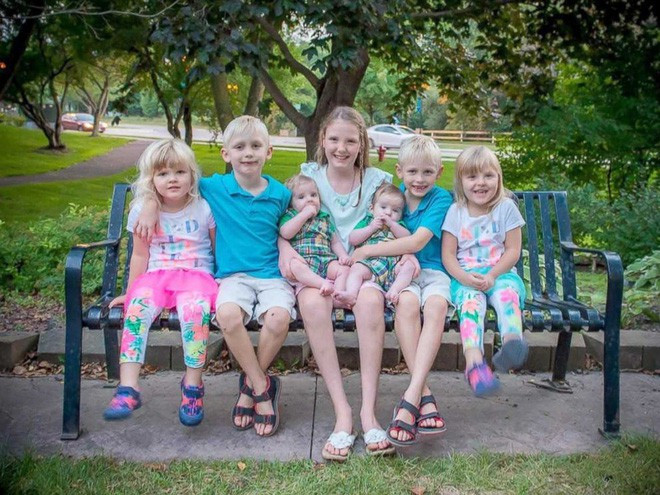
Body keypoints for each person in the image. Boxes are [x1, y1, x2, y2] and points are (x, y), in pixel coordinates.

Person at [135, 116, 296, 437]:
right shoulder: (213, 188)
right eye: (240, 147)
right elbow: (170, 184)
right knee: (227, 315)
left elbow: (289, 230)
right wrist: (150, 204)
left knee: (278, 318)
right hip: (231, 278)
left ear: (269, 152)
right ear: (226, 154)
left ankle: (249, 389)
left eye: (256, 146)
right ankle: (262, 387)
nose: (248, 153)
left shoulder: (280, 194)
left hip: (272, 276)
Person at [279, 106, 416, 460]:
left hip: (364, 266)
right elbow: (280, 220)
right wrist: (285, 251)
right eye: (334, 139)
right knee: (312, 304)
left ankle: (369, 412)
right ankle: (343, 413)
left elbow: (395, 225)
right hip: (316, 264)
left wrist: (398, 255)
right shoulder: (309, 176)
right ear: (323, 140)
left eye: (351, 141)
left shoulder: (376, 181)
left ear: (362, 144)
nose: (341, 148)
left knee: (370, 302)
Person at [103, 139, 217, 427]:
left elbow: (217, 250)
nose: (172, 179)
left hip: (196, 278)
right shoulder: (143, 210)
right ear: (151, 178)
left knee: (194, 312)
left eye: (179, 172)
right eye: (163, 173)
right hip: (157, 278)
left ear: (192, 174)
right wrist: (130, 293)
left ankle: (192, 385)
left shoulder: (203, 208)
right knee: (136, 311)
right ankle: (128, 388)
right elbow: (140, 255)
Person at [352, 135, 452, 447]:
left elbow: (418, 242)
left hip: (434, 271)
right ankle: (423, 396)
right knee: (406, 306)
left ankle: (410, 397)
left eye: (427, 172)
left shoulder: (440, 199)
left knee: (436, 307)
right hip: (402, 272)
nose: (419, 179)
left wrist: (368, 251)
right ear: (399, 171)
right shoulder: (394, 199)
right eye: (412, 172)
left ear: (439, 172)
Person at [442, 145, 528, 396]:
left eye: (488, 175)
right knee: (471, 306)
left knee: (506, 295)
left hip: (500, 273)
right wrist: (465, 278)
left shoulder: (506, 208)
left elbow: (513, 250)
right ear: (461, 182)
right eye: (472, 177)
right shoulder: (456, 212)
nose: (480, 183)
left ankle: (512, 341)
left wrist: (493, 275)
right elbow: (448, 255)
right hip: (466, 276)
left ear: (498, 178)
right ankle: (474, 364)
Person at [334, 183, 416, 307]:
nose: (388, 213)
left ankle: (394, 290)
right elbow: (353, 239)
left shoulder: (399, 225)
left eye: (395, 210)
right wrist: (370, 228)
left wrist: (392, 225)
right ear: (372, 209)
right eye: (383, 207)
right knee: (356, 269)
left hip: (394, 265)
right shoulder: (367, 222)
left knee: (409, 266)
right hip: (370, 265)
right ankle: (351, 293)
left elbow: (407, 238)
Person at [279, 174, 352, 296]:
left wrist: (343, 255)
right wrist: (304, 214)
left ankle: (337, 295)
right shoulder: (291, 216)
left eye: (313, 195)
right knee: (295, 266)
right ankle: (322, 283)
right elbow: (285, 233)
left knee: (344, 270)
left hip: (326, 260)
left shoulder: (324, 218)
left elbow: (335, 242)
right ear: (291, 204)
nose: (309, 199)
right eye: (301, 197)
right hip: (303, 261)